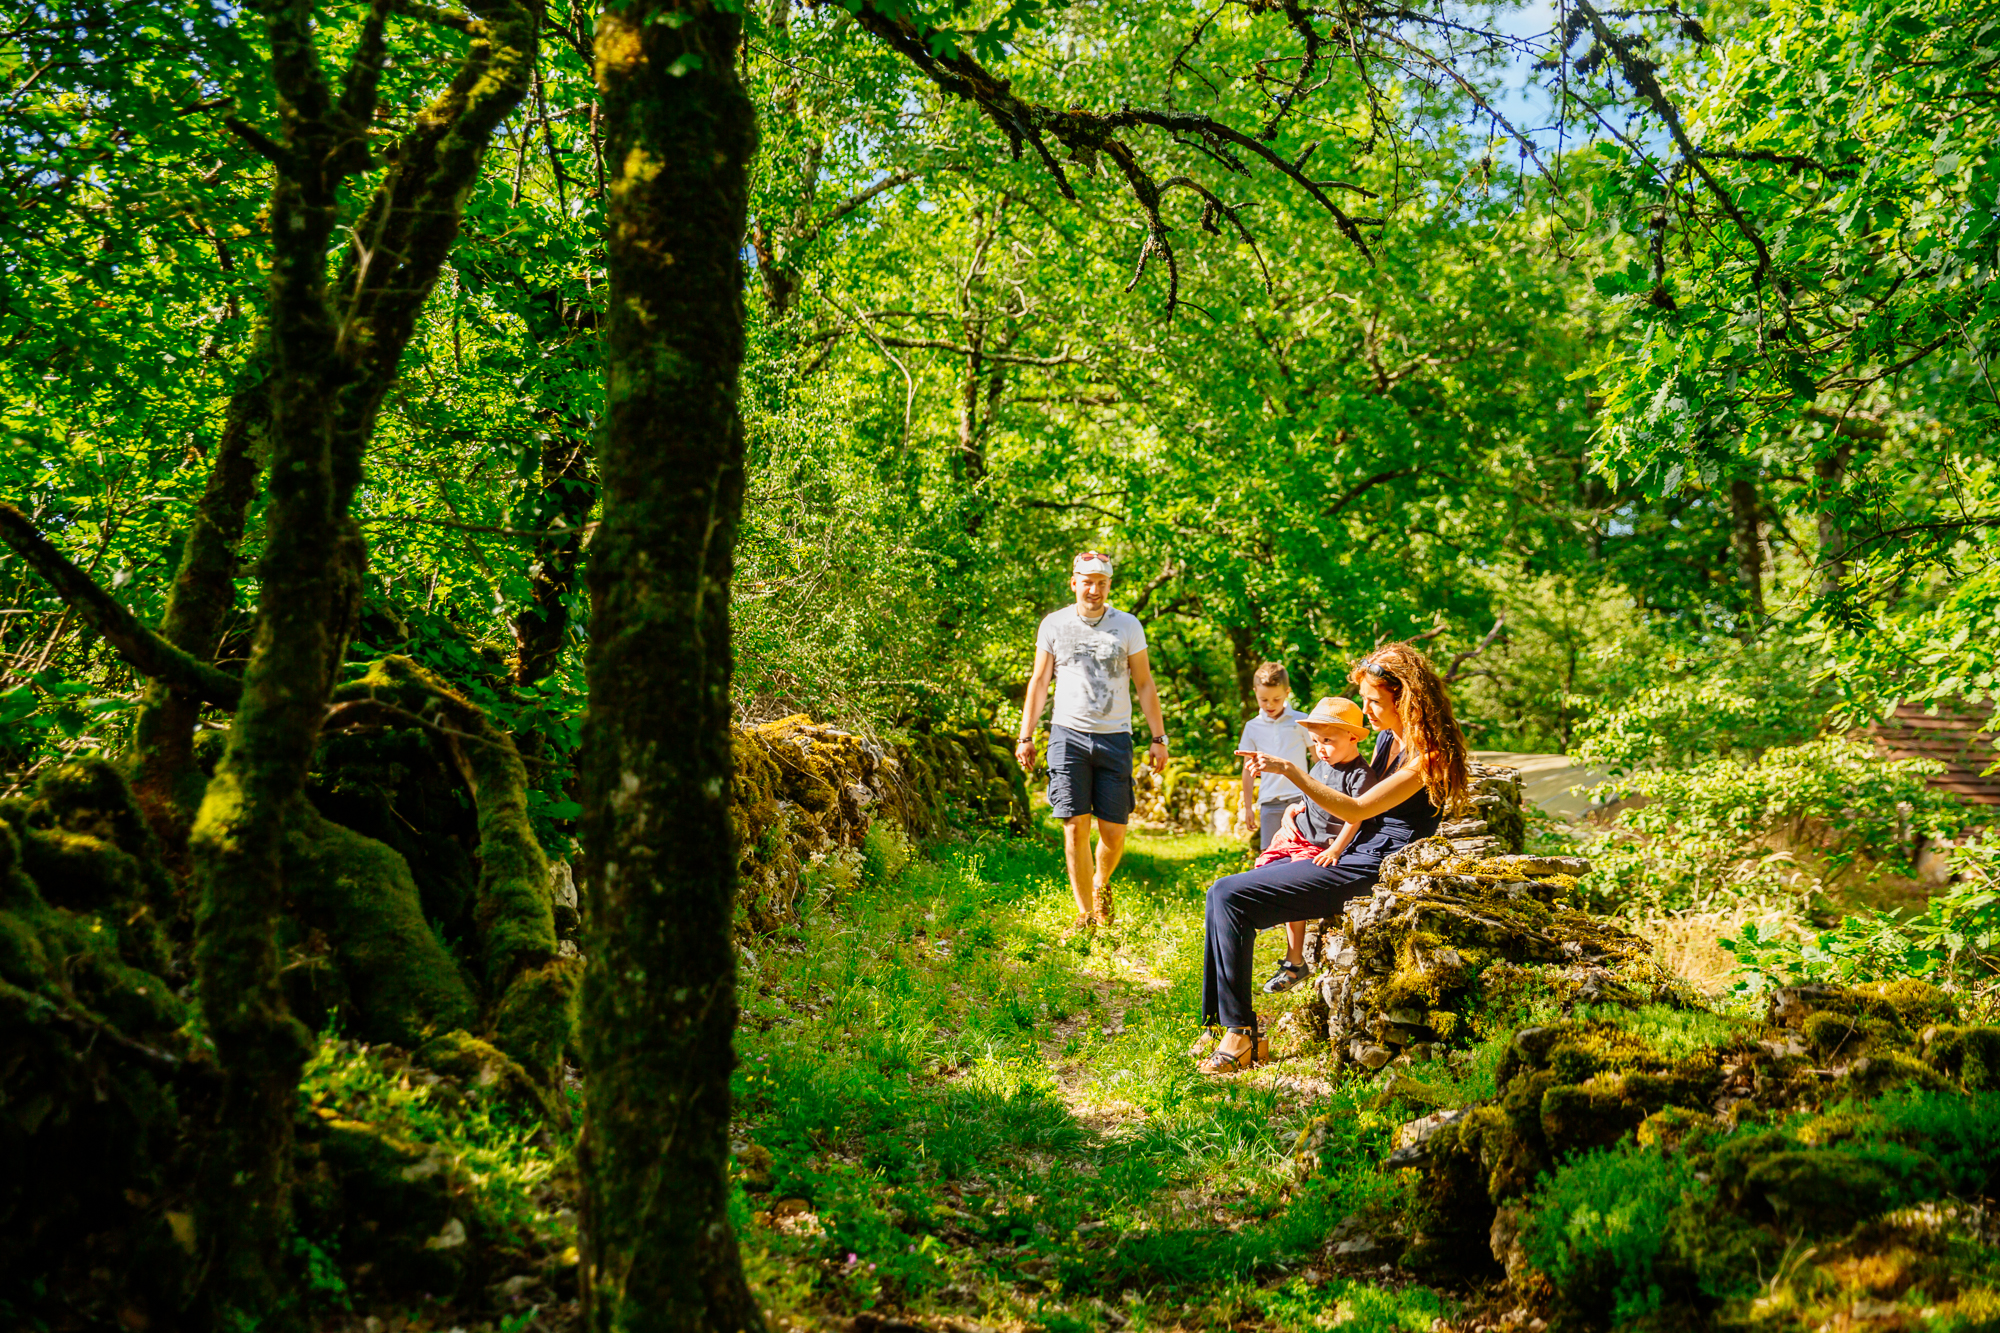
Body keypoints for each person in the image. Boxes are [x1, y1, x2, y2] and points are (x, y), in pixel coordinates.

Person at [1194, 643, 1469, 1075]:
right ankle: (1223, 1026)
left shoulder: (1428, 757)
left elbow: (1359, 809)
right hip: (1356, 853)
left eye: (1374, 701)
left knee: (1230, 895)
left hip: (1374, 869)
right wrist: (1303, 813)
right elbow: (1352, 799)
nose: (1367, 710)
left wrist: (1293, 773)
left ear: (1405, 698)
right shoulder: (1387, 740)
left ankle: (1240, 1035)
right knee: (1220, 893)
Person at [1015, 551, 1168, 929]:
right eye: (1087, 581)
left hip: (1115, 737)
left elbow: (1145, 683)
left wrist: (1158, 737)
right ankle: (1086, 914)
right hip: (1067, 735)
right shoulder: (1054, 624)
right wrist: (1026, 735)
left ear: (1109, 585)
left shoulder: (1128, 625)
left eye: (1101, 582)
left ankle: (1100, 882)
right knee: (1074, 825)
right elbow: (1038, 682)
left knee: (1113, 832)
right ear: (1074, 582)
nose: (1094, 589)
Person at [1252, 696, 1371, 994]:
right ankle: (1264, 915)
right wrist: (1293, 809)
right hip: (1297, 831)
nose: (1320, 748)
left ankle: (1295, 960)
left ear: (1353, 737)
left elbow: (1353, 818)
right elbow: (1312, 796)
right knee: (1262, 868)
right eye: (1316, 741)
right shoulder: (1321, 765)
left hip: (1321, 843)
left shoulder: (1359, 775)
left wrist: (1335, 849)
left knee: (1292, 886)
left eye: (1327, 740)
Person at [1236, 663, 1310, 849]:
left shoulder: (1301, 721)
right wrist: (1247, 807)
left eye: (1276, 699)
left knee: (1301, 850)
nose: (1270, 705)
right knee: (1270, 853)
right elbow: (1247, 771)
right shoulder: (1252, 727)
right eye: (1264, 700)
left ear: (1287, 692)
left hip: (1300, 798)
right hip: (1269, 801)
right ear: (1255, 692)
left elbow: (1319, 759)